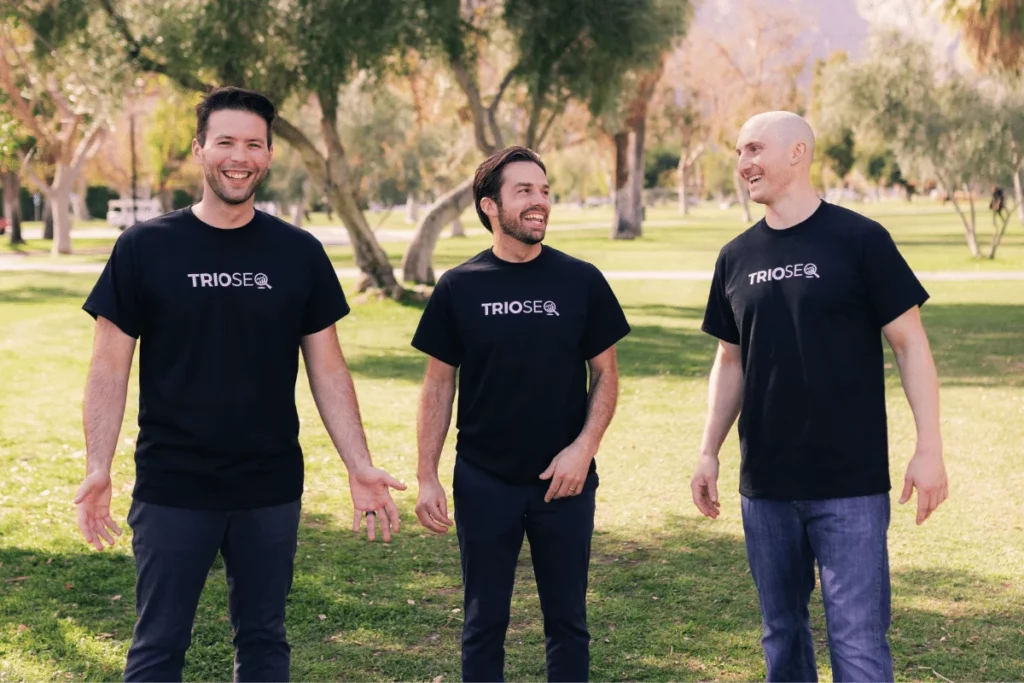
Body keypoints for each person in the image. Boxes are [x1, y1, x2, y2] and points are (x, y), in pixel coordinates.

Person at [73, 86, 405, 682]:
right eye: (225, 141)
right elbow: (108, 367)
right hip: (174, 484)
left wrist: (358, 464)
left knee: (263, 642)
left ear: (270, 156)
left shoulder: (298, 252)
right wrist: (99, 464)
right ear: (200, 150)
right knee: (157, 647)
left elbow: (327, 368)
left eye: (254, 144)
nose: (239, 155)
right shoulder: (144, 248)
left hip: (269, 487)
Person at [690, 111, 949, 682]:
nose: (743, 163)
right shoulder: (735, 257)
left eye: (755, 148)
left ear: (797, 152)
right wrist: (708, 449)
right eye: (738, 152)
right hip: (766, 489)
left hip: (849, 486)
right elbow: (729, 361)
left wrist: (929, 448)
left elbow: (910, 346)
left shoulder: (860, 240)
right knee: (781, 637)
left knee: (857, 644)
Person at [410, 146, 631, 682]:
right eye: (525, 191)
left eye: (545, 191)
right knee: (484, 621)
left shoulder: (581, 280)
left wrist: (583, 450)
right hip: (485, 479)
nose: (540, 202)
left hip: (566, 480)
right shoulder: (459, 286)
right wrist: (426, 476)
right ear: (491, 206)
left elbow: (606, 374)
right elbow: (439, 385)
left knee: (568, 623)